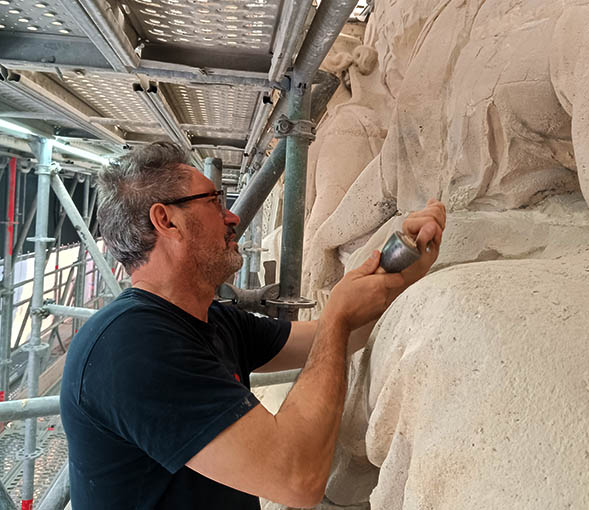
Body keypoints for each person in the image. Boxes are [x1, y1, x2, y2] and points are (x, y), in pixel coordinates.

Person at [60, 141, 446, 509]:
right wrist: (338, 316)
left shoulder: (212, 318)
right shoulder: (131, 346)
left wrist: (403, 266)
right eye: (214, 202)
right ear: (167, 220)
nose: (233, 217)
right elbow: (298, 478)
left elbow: (331, 338)